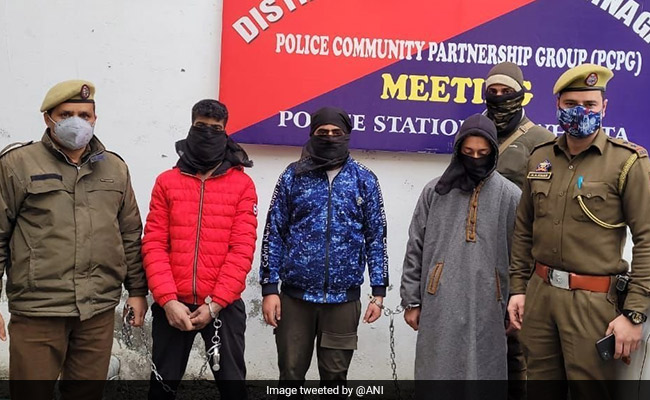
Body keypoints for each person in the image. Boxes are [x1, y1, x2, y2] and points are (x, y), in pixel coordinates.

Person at [508, 64, 650, 400]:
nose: (580, 112)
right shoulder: (540, 158)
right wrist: (518, 289)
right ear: (557, 105)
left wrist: (634, 314)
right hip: (540, 297)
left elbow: (647, 239)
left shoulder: (627, 162)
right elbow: (524, 229)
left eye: (589, 104)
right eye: (571, 104)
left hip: (593, 304)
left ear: (604, 107)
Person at [0, 80, 147, 400]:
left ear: (95, 119)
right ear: (48, 118)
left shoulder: (115, 168)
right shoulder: (17, 164)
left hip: (97, 311)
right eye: (66, 114)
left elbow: (130, 234)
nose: (77, 122)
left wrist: (137, 291)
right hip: (38, 310)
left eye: (85, 115)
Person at [260, 106, 389, 396]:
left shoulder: (364, 180)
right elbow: (274, 233)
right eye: (322, 132)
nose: (330, 137)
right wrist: (269, 288)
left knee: (335, 378)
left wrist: (378, 292)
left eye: (336, 133)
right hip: (295, 299)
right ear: (312, 135)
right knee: (290, 375)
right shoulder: (293, 176)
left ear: (347, 136)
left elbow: (376, 238)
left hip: (343, 300)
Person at [142, 99, 257, 400]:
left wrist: (215, 303)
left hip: (223, 306)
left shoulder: (242, 185)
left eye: (215, 128)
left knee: (233, 390)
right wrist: (167, 300)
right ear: (191, 127)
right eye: (201, 126)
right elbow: (154, 243)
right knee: (161, 390)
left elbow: (242, 249)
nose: (207, 132)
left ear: (225, 131)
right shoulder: (166, 182)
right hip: (172, 305)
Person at [400, 114, 521, 384]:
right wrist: (411, 300)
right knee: (437, 370)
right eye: (468, 152)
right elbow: (415, 245)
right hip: (439, 300)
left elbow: (520, 255)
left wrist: (515, 300)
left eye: (482, 153)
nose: (475, 158)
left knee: (485, 372)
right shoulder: (435, 191)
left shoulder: (511, 196)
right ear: (458, 151)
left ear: (493, 152)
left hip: (490, 302)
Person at [484, 62, 555, 397]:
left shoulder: (542, 141)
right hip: (478, 251)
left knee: (515, 339)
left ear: (521, 93)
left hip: (519, 255)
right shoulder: (475, 133)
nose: (499, 98)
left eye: (507, 92)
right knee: (479, 337)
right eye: (493, 92)